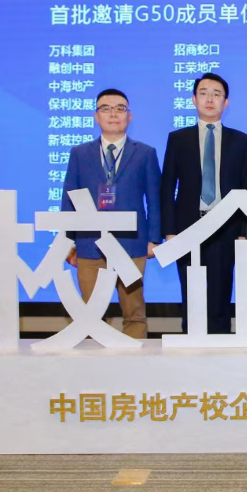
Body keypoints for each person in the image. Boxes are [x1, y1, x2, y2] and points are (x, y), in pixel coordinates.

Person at [62, 88, 160, 339]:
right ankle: (94, 361)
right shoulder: (79, 153)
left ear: (130, 116)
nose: (113, 114)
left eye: (120, 109)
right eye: (105, 109)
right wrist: (68, 242)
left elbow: (154, 199)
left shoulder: (145, 153)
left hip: (132, 244)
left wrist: (153, 238)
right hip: (89, 244)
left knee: (134, 311)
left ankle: (136, 360)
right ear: (96, 116)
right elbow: (69, 198)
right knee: (90, 314)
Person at [160, 73, 247, 334]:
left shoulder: (241, 141)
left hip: (226, 229)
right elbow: (167, 187)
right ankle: (190, 349)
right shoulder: (178, 139)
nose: (209, 99)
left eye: (216, 94)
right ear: (194, 99)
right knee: (191, 296)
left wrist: (244, 232)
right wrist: (169, 231)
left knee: (221, 297)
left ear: (226, 102)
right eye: (203, 93)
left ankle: (220, 349)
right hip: (187, 229)